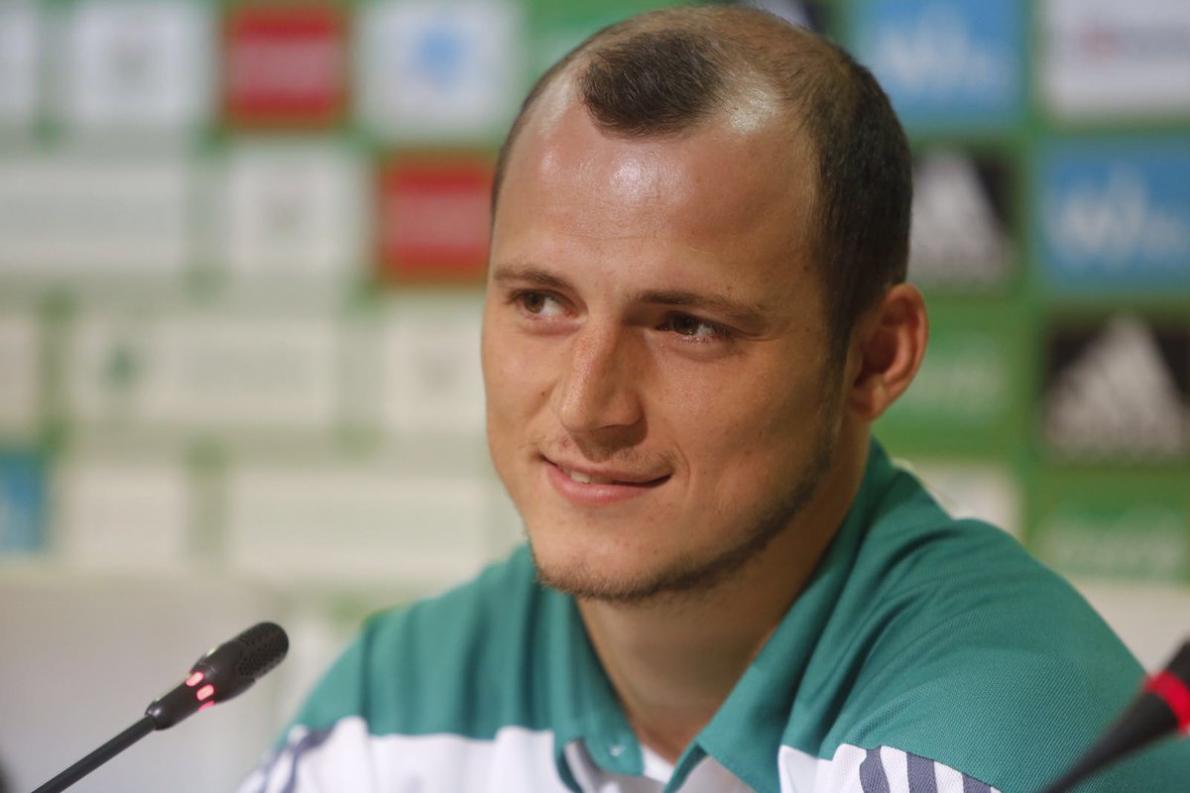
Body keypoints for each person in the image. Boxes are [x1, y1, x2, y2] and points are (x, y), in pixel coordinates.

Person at [240, 7, 1189, 792]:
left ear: (875, 357)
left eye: (687, 325)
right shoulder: (392, 700)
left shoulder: (1000, 740)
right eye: (541, 302)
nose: (587, 405)